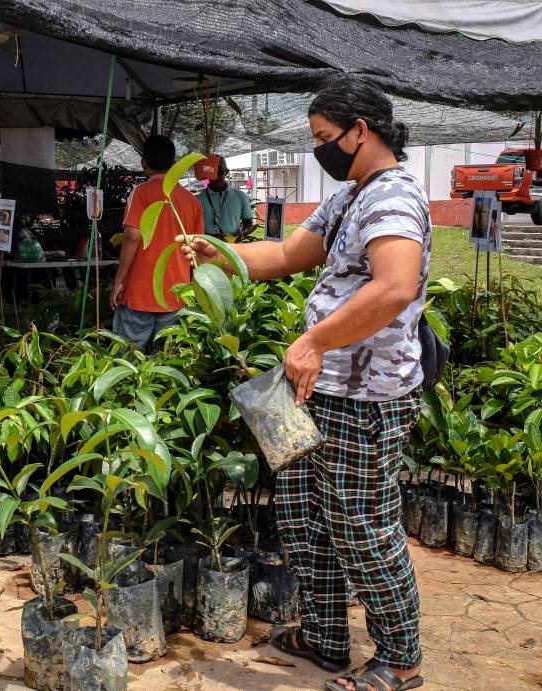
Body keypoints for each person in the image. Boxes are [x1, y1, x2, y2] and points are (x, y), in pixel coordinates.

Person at [181, 77, 428, 691]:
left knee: (360, 523)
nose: (320, 149)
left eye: (324, 138)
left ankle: (401, 657)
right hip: (313, 389)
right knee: (300, 512)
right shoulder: (351, 194)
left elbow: (394, 287)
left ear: (359, 132)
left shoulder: (393, 197)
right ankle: (325, 634)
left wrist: (315, 340)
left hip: (365, 395)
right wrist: (221, 254)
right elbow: (290, 253)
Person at [111, 134, 203, 351]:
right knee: (165, 362)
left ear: (143, 163)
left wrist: (118, 281)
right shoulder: (192, 200)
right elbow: (197, 249)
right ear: (173, 164)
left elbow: (133, 236)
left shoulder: (140, 193)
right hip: (175, 294)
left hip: (139, 294)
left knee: (128, 362)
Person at [197, 156, 254, 239]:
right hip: (207, 248)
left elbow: (248, 224)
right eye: (212, 172)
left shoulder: (240, 196)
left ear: (226, 172)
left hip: (233, 247)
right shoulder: (198, 199)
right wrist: (210, 238)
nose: (215, 176)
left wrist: (242, 232)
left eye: (219, 171)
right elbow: (193, 228)